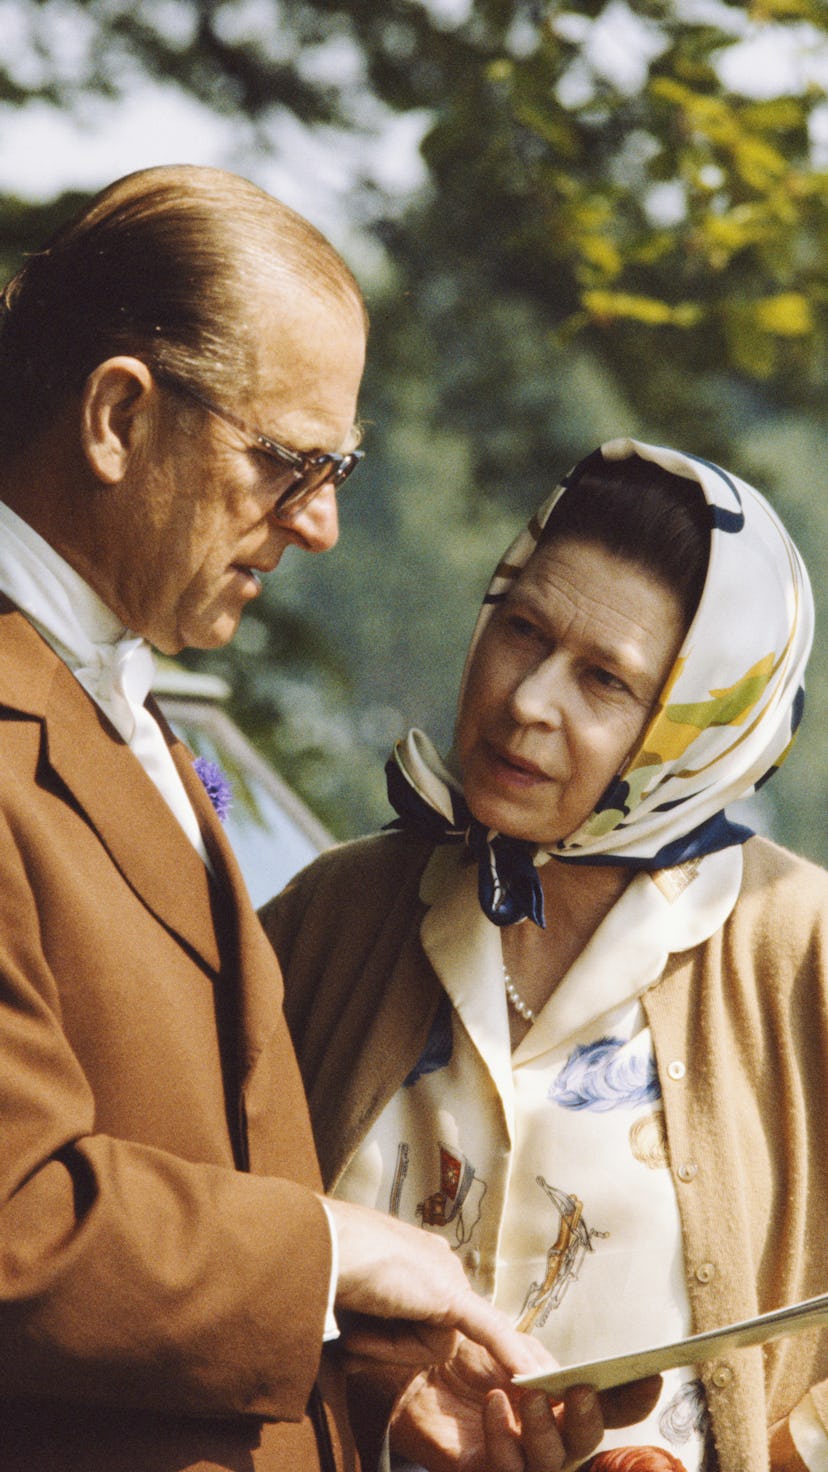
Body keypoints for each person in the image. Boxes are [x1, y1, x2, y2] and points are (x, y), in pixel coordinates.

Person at [0, 162, 566, 1472]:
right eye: (287, 462)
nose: (318, 525)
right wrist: (333, 1249)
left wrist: (366, 1388)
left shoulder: (135, 719)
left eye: (341, 469)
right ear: (116, 417)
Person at [262, 437, 828, 1471]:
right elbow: (214, 1231)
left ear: (697, 730)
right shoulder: (335, 914)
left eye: (604, 679)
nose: (528, 699)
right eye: (523, 629)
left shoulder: (801, 949)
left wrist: (783, 1456)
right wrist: (384, 1396)